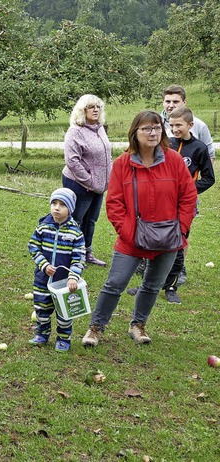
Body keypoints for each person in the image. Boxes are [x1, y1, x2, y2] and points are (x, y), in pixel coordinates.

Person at [82, 110, 197, 347]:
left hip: (168, 238)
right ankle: (96, 328)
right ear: (135, 132)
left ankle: (138, 324)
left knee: (152, 285)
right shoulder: (123, 164)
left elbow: (188, 197)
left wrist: (181, 229)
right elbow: (114, 203)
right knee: (115, 283)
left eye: (157, 128)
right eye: (147, 128)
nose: (153, 133)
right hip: (131, 238)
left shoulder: (173, 161)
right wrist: (128, 232)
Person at [160, 107, 215, 304]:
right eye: (171, 125)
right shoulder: (166, 144)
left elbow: (209, 179)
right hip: (162, 203)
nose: (174, 129)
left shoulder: (199, 148)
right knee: (156, 241)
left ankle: (171, 286)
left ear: (190, 125)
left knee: (177, 244)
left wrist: (188, 190)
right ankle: (153, 283)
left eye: (179, 125)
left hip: (184, 206)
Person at [28, 188, 85, 352]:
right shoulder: (43, 227)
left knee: (65, 313)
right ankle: (42, 334)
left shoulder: (75, 232)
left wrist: (73, 277)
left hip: (64, 283)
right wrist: (44, 265)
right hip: (42, 280)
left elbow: (79, 257)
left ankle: (63, 338)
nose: (56, 208)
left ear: (70, 209)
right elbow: (33, 246)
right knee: (41, 310)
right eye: (54, 203)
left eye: (62, 205)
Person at [62, 94, 112, 267]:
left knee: (91, 220)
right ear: (82, 111)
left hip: (98, 186)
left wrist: (106, 179)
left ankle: (86, 252)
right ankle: (70, 254)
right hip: (79, 183)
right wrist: (89, 181)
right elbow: (72, 161)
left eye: (98, 106)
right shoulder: (75, 131)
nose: (96, 110)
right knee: (76, 219)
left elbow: (107, 155)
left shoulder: (99, 128)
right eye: (91, 107)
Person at [161, 84, 215, 163]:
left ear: (184, 102)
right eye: (168, 101)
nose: (171, 105)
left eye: (175, 102)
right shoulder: (156, 124)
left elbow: (210, 156)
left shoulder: (199, 126)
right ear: (163, 102)